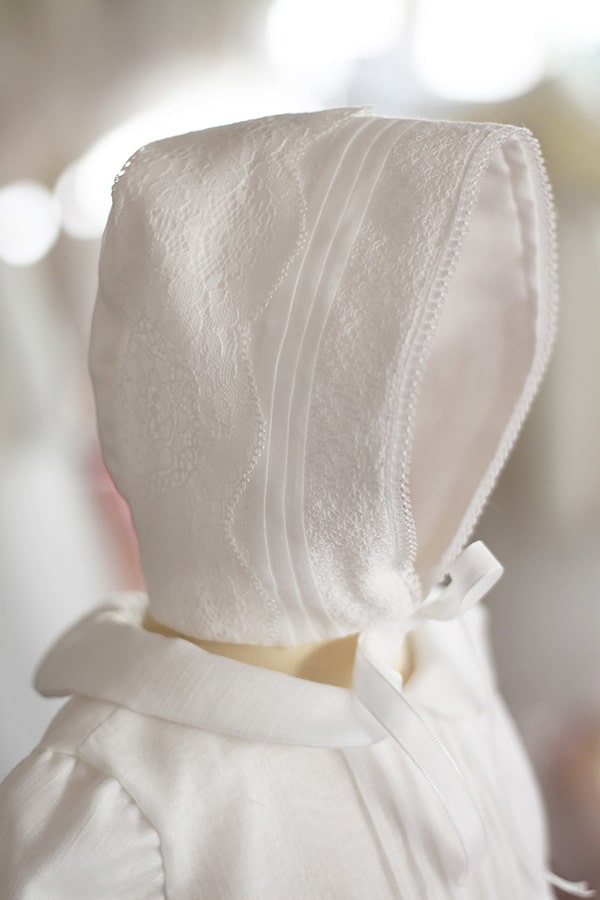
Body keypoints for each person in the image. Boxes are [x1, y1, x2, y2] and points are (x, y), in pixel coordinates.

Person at [0, 107, 593, 898]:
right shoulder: (121, 807)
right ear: (236, 410)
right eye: (385, 378)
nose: (425, 415)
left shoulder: (446, 649)